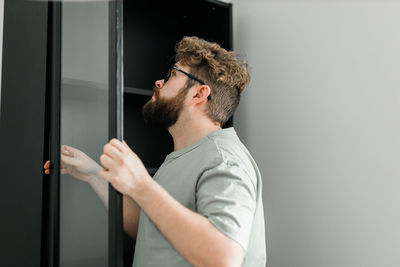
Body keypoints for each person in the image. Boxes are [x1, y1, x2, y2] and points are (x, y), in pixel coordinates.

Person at [44, 36, 266, 267]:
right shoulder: (186, 156)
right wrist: (94, 174)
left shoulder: (223, 160)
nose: (160, 82)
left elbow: (224, 257)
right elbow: (151, 226)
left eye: (173, 75)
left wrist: (141, 184)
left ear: (199, 94)